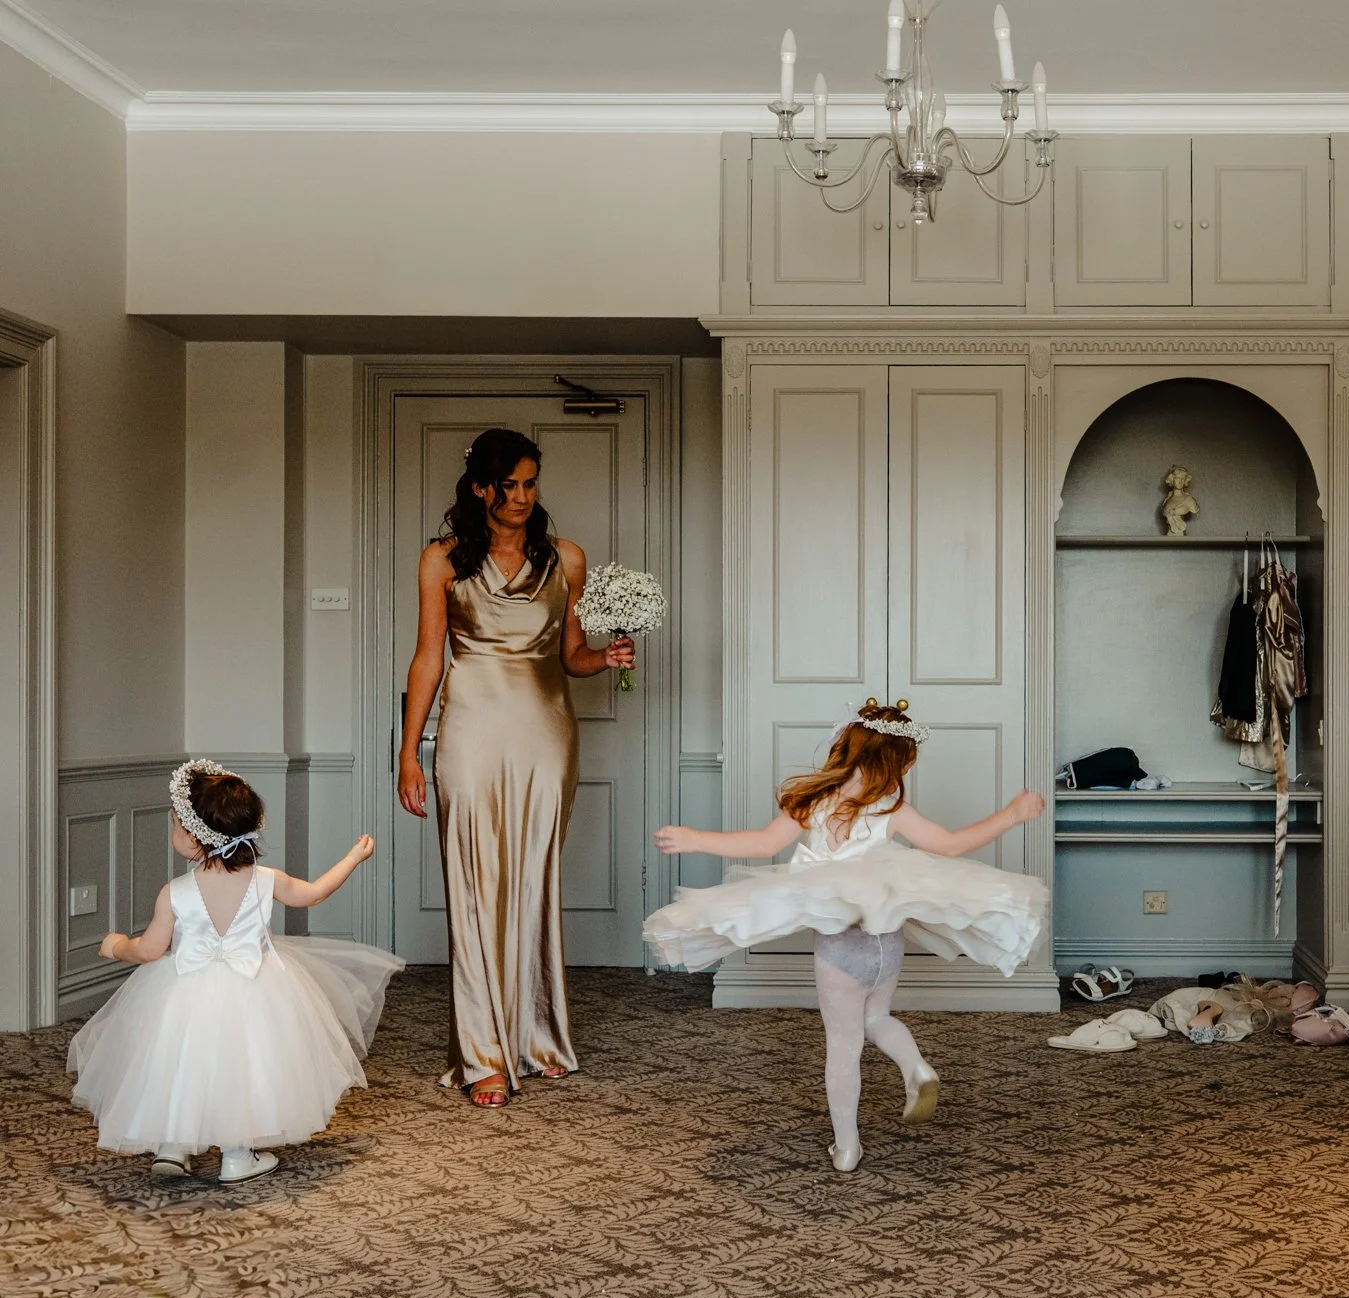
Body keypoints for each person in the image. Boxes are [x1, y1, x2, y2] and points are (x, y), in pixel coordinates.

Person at [645, 700, 1049, 1173]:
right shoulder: (892, 807)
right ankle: (916, 1066)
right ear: (894, 762)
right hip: (885, 942)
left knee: (844, 1042)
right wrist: (1012, 813)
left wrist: (696, 838)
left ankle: (848, 1146)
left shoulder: (815, 804)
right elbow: (951, 845)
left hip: (840, 949)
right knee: (877, 1016)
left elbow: (759, 845)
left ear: (846, 748)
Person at [396, 428, 635, 1108]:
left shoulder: (566, 559)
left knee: (533, 879)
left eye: (532, 483)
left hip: (544, 733)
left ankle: (537, 1033)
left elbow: (571, 656)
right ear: (481, 488)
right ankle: (481, 1055)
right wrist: (409, 751)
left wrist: (608, 659)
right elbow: (427, 659)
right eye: (511, 485)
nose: (524, 496)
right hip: (469, 729)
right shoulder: (442, 561)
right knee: (474, 884)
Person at [69, 760, 402, 1182]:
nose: (172, 832)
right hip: (255, 990)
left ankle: (172, 1146)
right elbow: (315, 894)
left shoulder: (175, 892)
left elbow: (150, 950)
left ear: (196, 837)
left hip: (184, 993)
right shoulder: (266, 879)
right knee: (246, 1065)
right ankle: (237, 1155)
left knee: (181, 1062)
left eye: (175, 825)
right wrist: (354, 857)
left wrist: (117, 946)